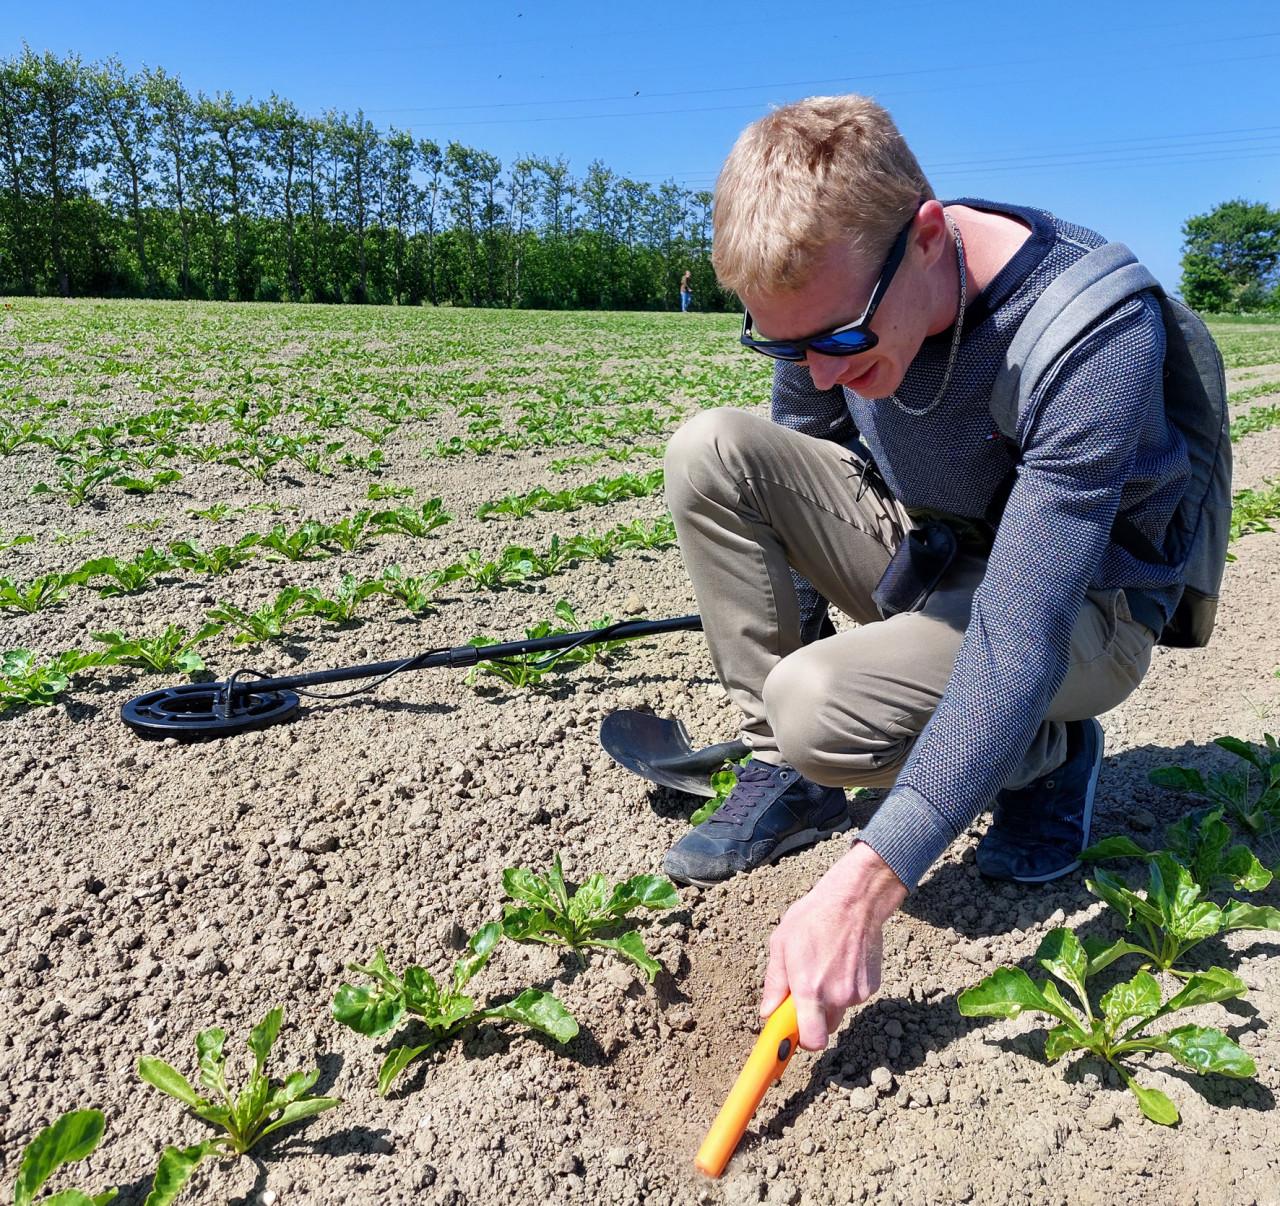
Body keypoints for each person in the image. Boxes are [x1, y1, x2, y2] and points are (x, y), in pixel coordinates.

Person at [660, 94, 1197, 1052]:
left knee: (819, 702)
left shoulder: (1089, 331)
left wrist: (867, 886)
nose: (817, 373)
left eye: (837, 343)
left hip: (1085, 606)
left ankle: (1050, 753)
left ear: (927, 237)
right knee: (712, 447)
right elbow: (801, 454)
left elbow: (1017, 635)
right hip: (942, 551)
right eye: (783, 344)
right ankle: (797, 772)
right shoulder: (833, 299)